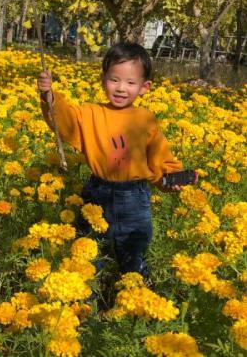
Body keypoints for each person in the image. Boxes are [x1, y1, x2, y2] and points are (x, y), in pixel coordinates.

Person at [37, 42, 185, 282]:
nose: (121, 88)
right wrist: (49, 96)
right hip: (98, 192)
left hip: (135, 199)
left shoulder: (145, 119)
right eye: (114, 80)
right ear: (103, 79)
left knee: (133, 255)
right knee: (87, 255)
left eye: (130, 83)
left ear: (145, 87)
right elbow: (63, 121)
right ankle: (86, 306)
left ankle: (136, 304)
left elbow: (159, 158)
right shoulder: (90, 113)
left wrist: (169, 178)